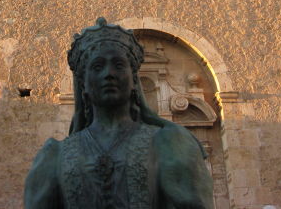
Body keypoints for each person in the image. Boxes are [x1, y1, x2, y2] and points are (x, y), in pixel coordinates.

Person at [25, 18, 214, 209]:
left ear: (134, 81)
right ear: (84, 85)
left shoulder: (168, 143)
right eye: (98, 67)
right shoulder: (54, 155)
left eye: (118, 65)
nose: (109, 73)